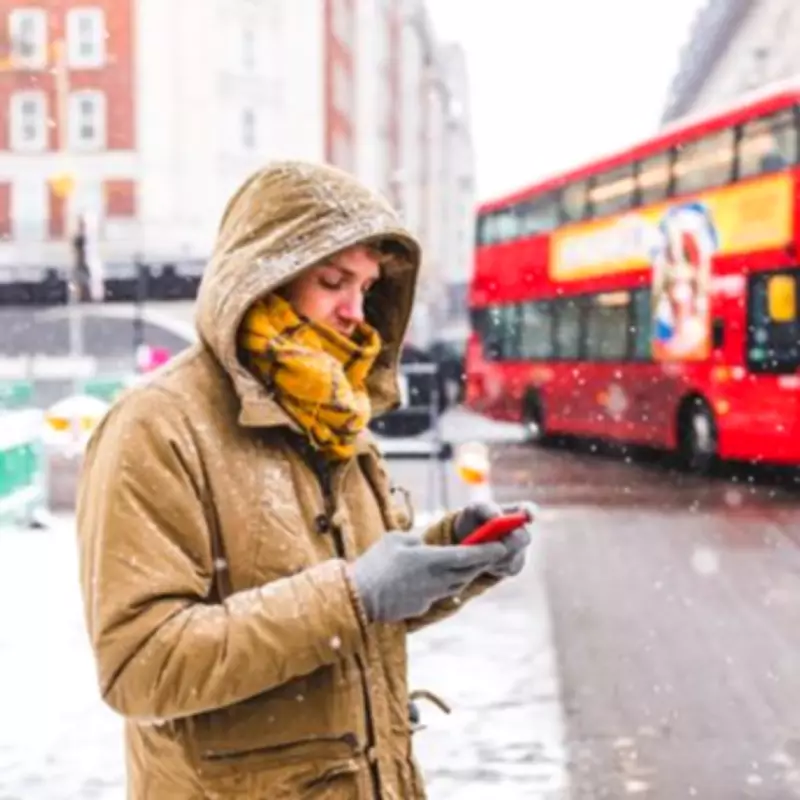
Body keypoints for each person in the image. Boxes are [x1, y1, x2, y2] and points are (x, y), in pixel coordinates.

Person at [75, 160, 533, 799]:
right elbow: (140, 664)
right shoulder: (157, 425)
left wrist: (453, 554)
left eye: (366, 287)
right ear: (262, 273)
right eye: (332, 281)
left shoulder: (333, 413)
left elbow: (361, 602)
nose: (356, 312)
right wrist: (355, 596)